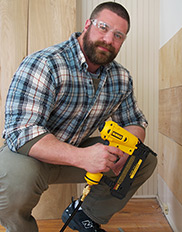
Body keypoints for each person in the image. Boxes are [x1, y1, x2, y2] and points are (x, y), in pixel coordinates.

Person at [0, 2, 157, 232]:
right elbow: (20, 131)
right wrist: (82, 157)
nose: (108, 39)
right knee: (13, 180)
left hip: (77, 149)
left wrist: (127, 147)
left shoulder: (120, 77)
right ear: (87, 25)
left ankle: (85, 217)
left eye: (118, 35)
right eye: (103, 27)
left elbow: (134, 121)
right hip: (32, 155)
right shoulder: (46, 62)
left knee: (142, 159)